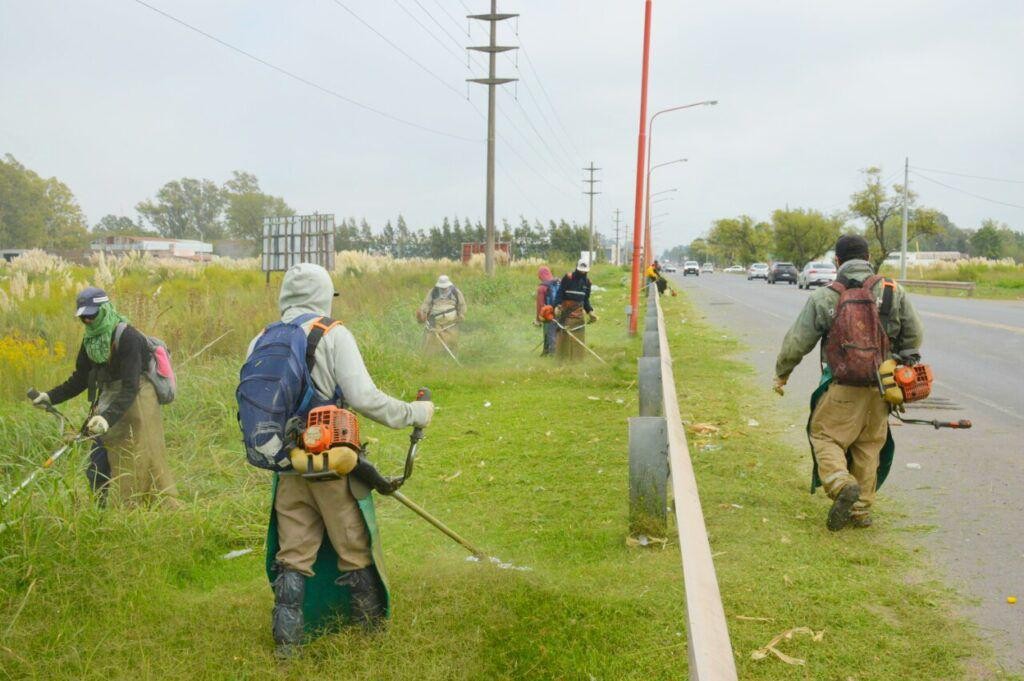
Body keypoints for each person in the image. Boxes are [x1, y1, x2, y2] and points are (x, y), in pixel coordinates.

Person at [251, 263, 434, 658]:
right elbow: (365, 399)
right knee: (353, 547)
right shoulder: (333, 334)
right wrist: (415, 414)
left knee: (293, 554)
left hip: (287, 465)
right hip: (332, 463)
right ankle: (368, 636)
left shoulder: (261, 339)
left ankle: (287, 646)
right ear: (323, 296)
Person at [773, 235, 923, 531]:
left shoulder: (826, 295)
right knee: (869, 446)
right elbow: (914, 335)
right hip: (883, 387)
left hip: (842, 385)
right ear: (868, 258)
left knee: (825, 436)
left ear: (837, 262)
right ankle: (860, 511)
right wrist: (902, 365)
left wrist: (782, 373)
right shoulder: (892, 290)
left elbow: (797, 341)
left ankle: (841, 484)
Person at [30, 287, 178, 506]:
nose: (87, 320)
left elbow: (130, 387)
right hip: (109, 401)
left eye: (92, 314)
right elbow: (80, 378)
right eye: (83, 316)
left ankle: (146, 512)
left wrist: (107, 418)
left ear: (105, 309)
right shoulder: (90, 340)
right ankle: (101, 514)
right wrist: (50, 396)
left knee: (140, 462)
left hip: (139, 402)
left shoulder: (129, 337)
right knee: (97, 468)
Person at [553, 260, 598, 361]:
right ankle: (562, 358)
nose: (582, 273)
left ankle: (577, 360)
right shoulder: (568, 278)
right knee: (564, 335)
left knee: (578, 336)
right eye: (580, 271)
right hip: (565, 311)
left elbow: (585, 299)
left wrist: (590, 312)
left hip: (578, 314)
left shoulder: (587, 282)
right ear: (576, 268)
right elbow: (560, 293)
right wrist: (557, 306)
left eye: (584, 271)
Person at [416, 275, 467, 357]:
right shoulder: (433, 292)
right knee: (432, 340)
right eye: (442, 287)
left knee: (452, 340)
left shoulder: (456, 292)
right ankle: (432, 358)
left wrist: (461, 314)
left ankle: (450, 356)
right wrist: (423, 313)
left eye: (445, 287)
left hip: (451, 321)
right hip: (436, 320)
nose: (444, 289)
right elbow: (426, 304)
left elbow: (462, 305)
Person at [534, 266, 559, 356]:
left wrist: (538, 319)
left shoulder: (542, 288)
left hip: (547, 313)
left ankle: (550, 352)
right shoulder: (557, 283)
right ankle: (549, 351)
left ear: (540, 275)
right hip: (558, 311)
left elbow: (540, 305)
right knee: (556, 332)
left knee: (548, 332)